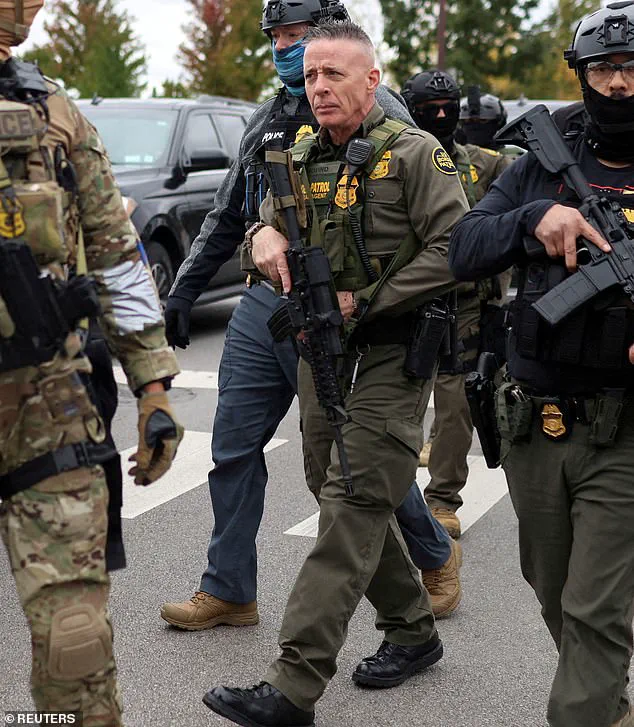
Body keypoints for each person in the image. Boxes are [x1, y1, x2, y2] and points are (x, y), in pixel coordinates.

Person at [161, 0, 459, 629]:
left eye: (295, 35)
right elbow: (231, 210)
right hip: (266, 302)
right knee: (233, 445)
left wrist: (373, 301)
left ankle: (433, 554)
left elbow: (424, 226)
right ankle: (229, 588)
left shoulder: (382, 114)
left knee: (356, 454)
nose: (285, 50)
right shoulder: (268, 117)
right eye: (277, 38)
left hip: (341, 307)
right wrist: (184, 291)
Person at [448, 3, 634, 725]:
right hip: (535, 422)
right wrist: (534, 220)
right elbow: (464, 247)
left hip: (624, 431)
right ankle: (606, 699)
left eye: (632, 68)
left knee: (593, 607)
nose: (618, 84)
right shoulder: (542, 161)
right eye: (604, 68)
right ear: (582, 74)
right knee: (552, 586)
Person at [0, 2, 183, 724]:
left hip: (48, 405)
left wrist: (154, 387)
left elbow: (115, 253)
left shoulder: (54, 115)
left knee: (74, 644)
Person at [402, 69, 512, 538]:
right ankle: (390, 496)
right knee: (396, 405)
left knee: (454, 407)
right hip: (406, 299)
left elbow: (509, 221)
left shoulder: (485, 166)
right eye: (430, 110)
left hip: (463, 305)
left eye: (449, 108)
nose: (442, 116)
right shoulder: (393, 158)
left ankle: (442, 499)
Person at [458, 86, 507, 150]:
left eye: (482, 120)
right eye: (468, 121)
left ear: (498, 122)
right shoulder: (453, 152)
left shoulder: (509, 154)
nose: (474, 126)